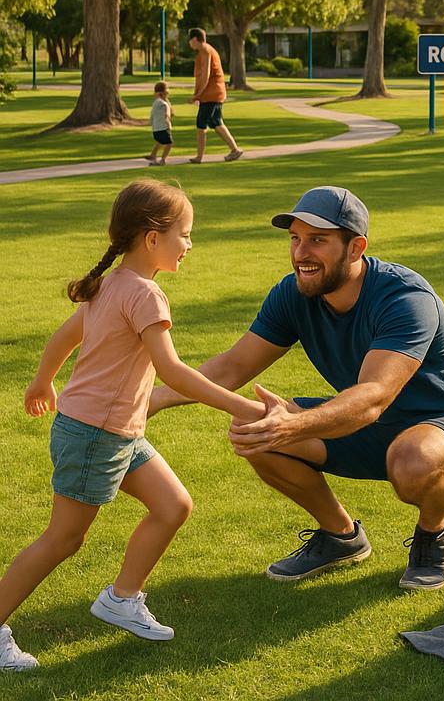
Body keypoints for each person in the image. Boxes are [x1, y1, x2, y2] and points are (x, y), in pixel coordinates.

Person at [148, 186, 444, 591]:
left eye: (318, 240)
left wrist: (295, 425)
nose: (301, 253)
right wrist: (153, 399)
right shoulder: (293, 293)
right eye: (295, 239)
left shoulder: (403, 297)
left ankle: (436, 531)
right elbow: (232, 366)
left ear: (355, 248)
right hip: (371, 424)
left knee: (413, 459)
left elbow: (373, 397)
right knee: (256, 431)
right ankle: (341, 536)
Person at [0, 181, 263, 672]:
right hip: (96, 434)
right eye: (184, 233)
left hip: (114, 431)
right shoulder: (144, 295)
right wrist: (244, 408)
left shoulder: (110, 284)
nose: (189, 244)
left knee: (172, 504)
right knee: (63, 539)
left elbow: (63, 337)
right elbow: (174, 372)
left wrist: (42, 382)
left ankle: (121, 598)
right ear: (151, 237)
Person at [186, 27, 242, 163]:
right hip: (214, 93)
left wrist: (197, 95)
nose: (189, 43)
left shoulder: (205, 51)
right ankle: (235, 150)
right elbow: (201, 77)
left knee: (201, 124)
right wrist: (197, 93)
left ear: (194, 39)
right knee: (216, 122)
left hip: (211, 94)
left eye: (189, 40)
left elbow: (205, 75)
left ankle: (199, 157)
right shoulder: (204, 51)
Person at [147, 81, 173, 166]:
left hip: (156, 129)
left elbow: (152, 114)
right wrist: (167, 118)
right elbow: (167, 112)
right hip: (163, 128)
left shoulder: (156, 102)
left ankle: (153, 155)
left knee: (159, 141)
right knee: (169, 143)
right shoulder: (162, 103)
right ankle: (163, 159)